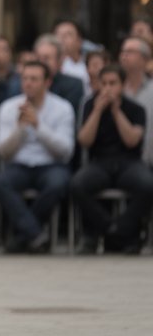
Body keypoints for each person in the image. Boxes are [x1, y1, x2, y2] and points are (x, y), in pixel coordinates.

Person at [0, 61, 75, 253]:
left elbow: (66, 151)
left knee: (58, 183)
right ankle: (36, 234)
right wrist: (20, 129)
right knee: (0, 182)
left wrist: (38, 126)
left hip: (51, 164)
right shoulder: (8, 107)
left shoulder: (63, 108)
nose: (28, 83)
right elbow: (2, 152)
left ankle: (24, 236)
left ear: (47, 82)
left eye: (34, 79)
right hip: (19, 165)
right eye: (25, 78)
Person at [71, 65, 153, 254]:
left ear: (122, 85)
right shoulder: (90, 105)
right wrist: (97, 111)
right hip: (100, 161)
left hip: (129, 162)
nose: (107, 88)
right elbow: (84, 140)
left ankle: (121, 230)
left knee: (147, 185)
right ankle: (112, 229)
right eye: (104, 83)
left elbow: (132, 141)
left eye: (113, 83)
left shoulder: (136, 108)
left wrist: (116, 112)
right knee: (77, 185)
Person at [117, 37, 153, 165]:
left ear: (145, 59)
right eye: (122, 51)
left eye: (130, 52)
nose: (124, 55)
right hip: (119, 160)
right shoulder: (114, 90)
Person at [54, 19, 91, 94]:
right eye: (58, 34)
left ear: (79, 41)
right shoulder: (49, 64)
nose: (61, 39)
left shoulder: (89, 65)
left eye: (67, 35)